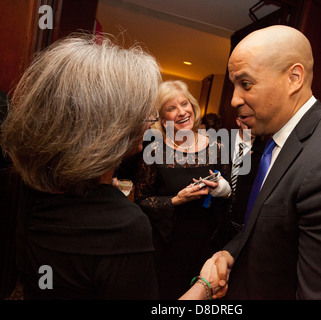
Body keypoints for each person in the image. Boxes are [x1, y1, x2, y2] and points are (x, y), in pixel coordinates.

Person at [0, 35, 221, 300]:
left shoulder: (28, 188)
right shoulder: (123, 224)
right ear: (112, 128)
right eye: (145, 113)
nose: (149, 122)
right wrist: (204, 287)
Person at [207, 25, 321, 299]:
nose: (234, 99)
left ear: (294, 78)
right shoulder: (271, 143)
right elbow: (272, 229)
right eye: (234, 86)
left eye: (246, 84)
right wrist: (230, 252)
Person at [134, 80, 232, 299]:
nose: (181, 112)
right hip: (168, 245)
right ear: (161, 118)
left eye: (184, 104)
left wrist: (221, 189)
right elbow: (141, 201)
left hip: (208, 243)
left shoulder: (217, 147)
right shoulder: (153, 151)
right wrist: (176, 200)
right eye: (171, 108)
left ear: (193, 107)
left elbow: (231, 198)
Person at [228, 116, 265, 231]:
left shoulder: (264, 152)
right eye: (249, 125)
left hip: (241, 219)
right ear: (238, 121)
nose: (253, 129)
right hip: (214, 212)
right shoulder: (220, 142)